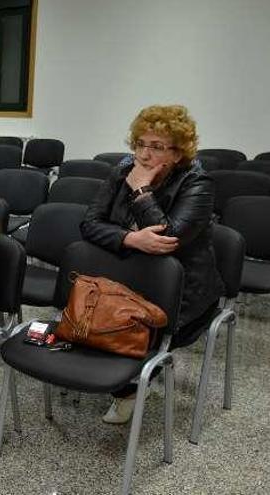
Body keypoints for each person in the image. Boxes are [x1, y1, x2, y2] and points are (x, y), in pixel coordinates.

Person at [79, 104, 224, 424]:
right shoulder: (122, 171)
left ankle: (128, 387)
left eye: (156, 147)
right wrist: (130, 240)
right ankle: (120, 382)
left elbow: (168, 238)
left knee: (125, 328)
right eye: (140, 144)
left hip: (180, 289)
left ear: (177, 153)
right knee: (87, 315)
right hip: (125, 274)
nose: (144, 155)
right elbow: (89, 223)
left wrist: (142, 191)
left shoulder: (197, 184)